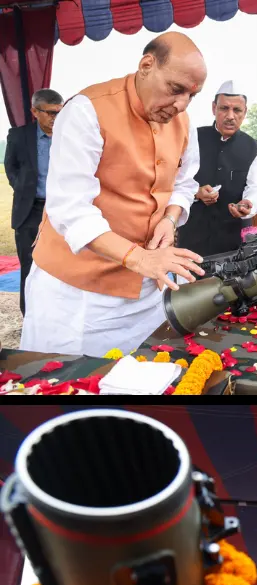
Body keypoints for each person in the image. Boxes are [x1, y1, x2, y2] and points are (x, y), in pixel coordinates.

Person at [19, 33, 207, 358]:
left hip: (148, 292)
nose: (181, 105)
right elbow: (72, 210)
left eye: (192, 95)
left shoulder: (184, 122)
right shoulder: (86, 111)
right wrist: (141, 258)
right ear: (146, 65)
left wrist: (169, 218)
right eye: (176, 89)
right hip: (78, 297)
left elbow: (185, 182)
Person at [176, 80, 257, 257]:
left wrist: (249, 203)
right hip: (193, 239)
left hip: (235, 243)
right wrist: (196, 192)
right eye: (224, 108)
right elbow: (174, 179)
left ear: (245, 112)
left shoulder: (252, 146)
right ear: (214, 108)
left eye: (237, 110)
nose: (230, 116)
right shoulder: (193, 137)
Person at [5, 88, 62, 315]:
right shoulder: (19, 136)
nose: (54, 118)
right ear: (34, 111)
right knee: (29, 268)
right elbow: (11, 168)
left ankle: (56, 316)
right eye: (49, 113)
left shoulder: (67, 136)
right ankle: (29, 317)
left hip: (60, 211)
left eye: (58, 112)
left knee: (60, 268)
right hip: (29, 211)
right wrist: (24, 189)